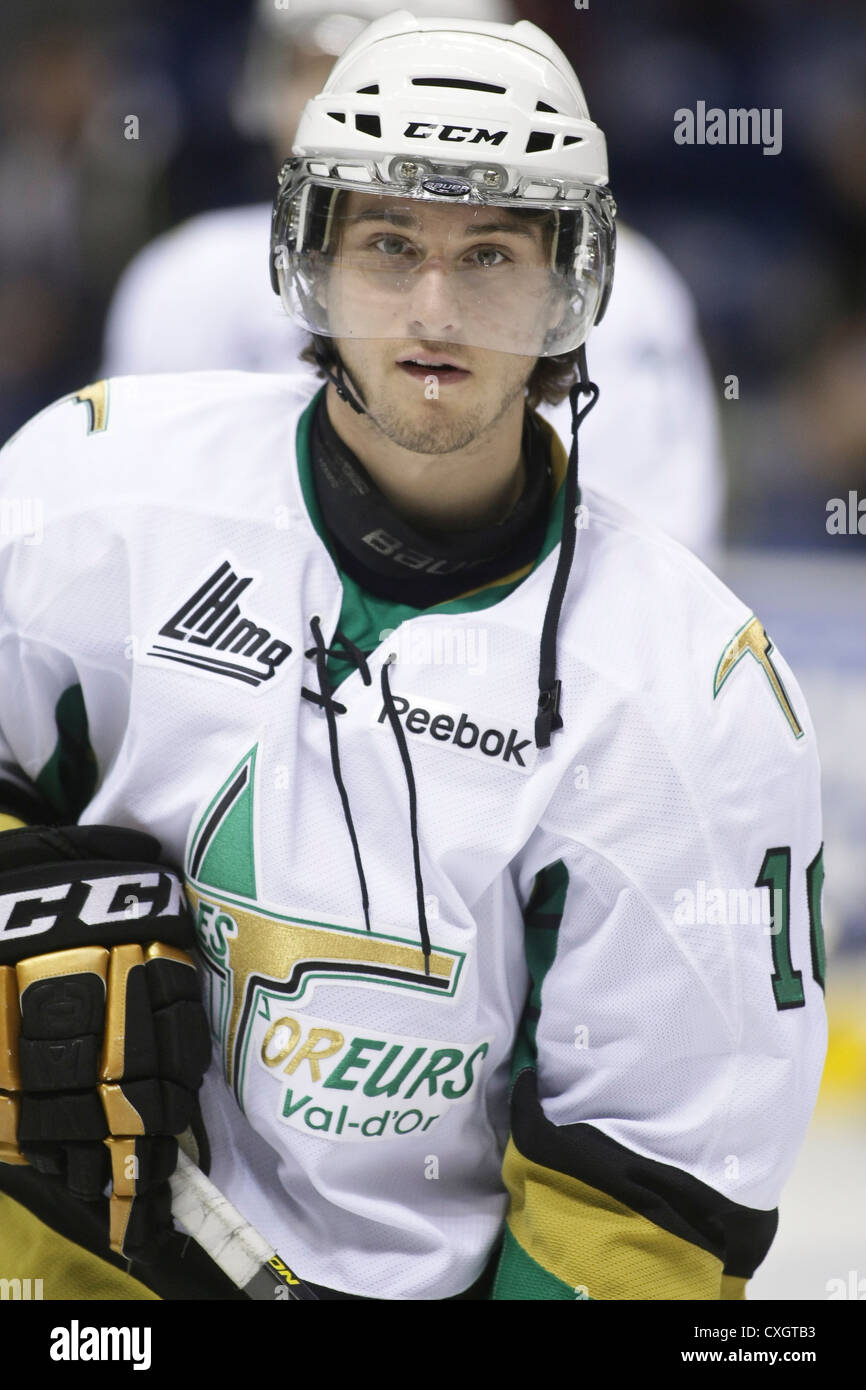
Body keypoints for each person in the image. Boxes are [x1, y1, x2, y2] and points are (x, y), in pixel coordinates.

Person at [0, 12, 824, 1301]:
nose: (434, 313)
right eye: (388, 245)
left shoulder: (685, 694)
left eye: (489, 253)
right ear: (308, 258)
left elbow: (647, 1201)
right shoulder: (96, 490)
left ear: (574, 286)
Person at [102, 0, 725, 564]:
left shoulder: (629, 292)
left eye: (487, 257)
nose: (434, 313)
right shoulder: (186, 277)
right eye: (309, 68)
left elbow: (654, 555)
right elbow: (149, 540)